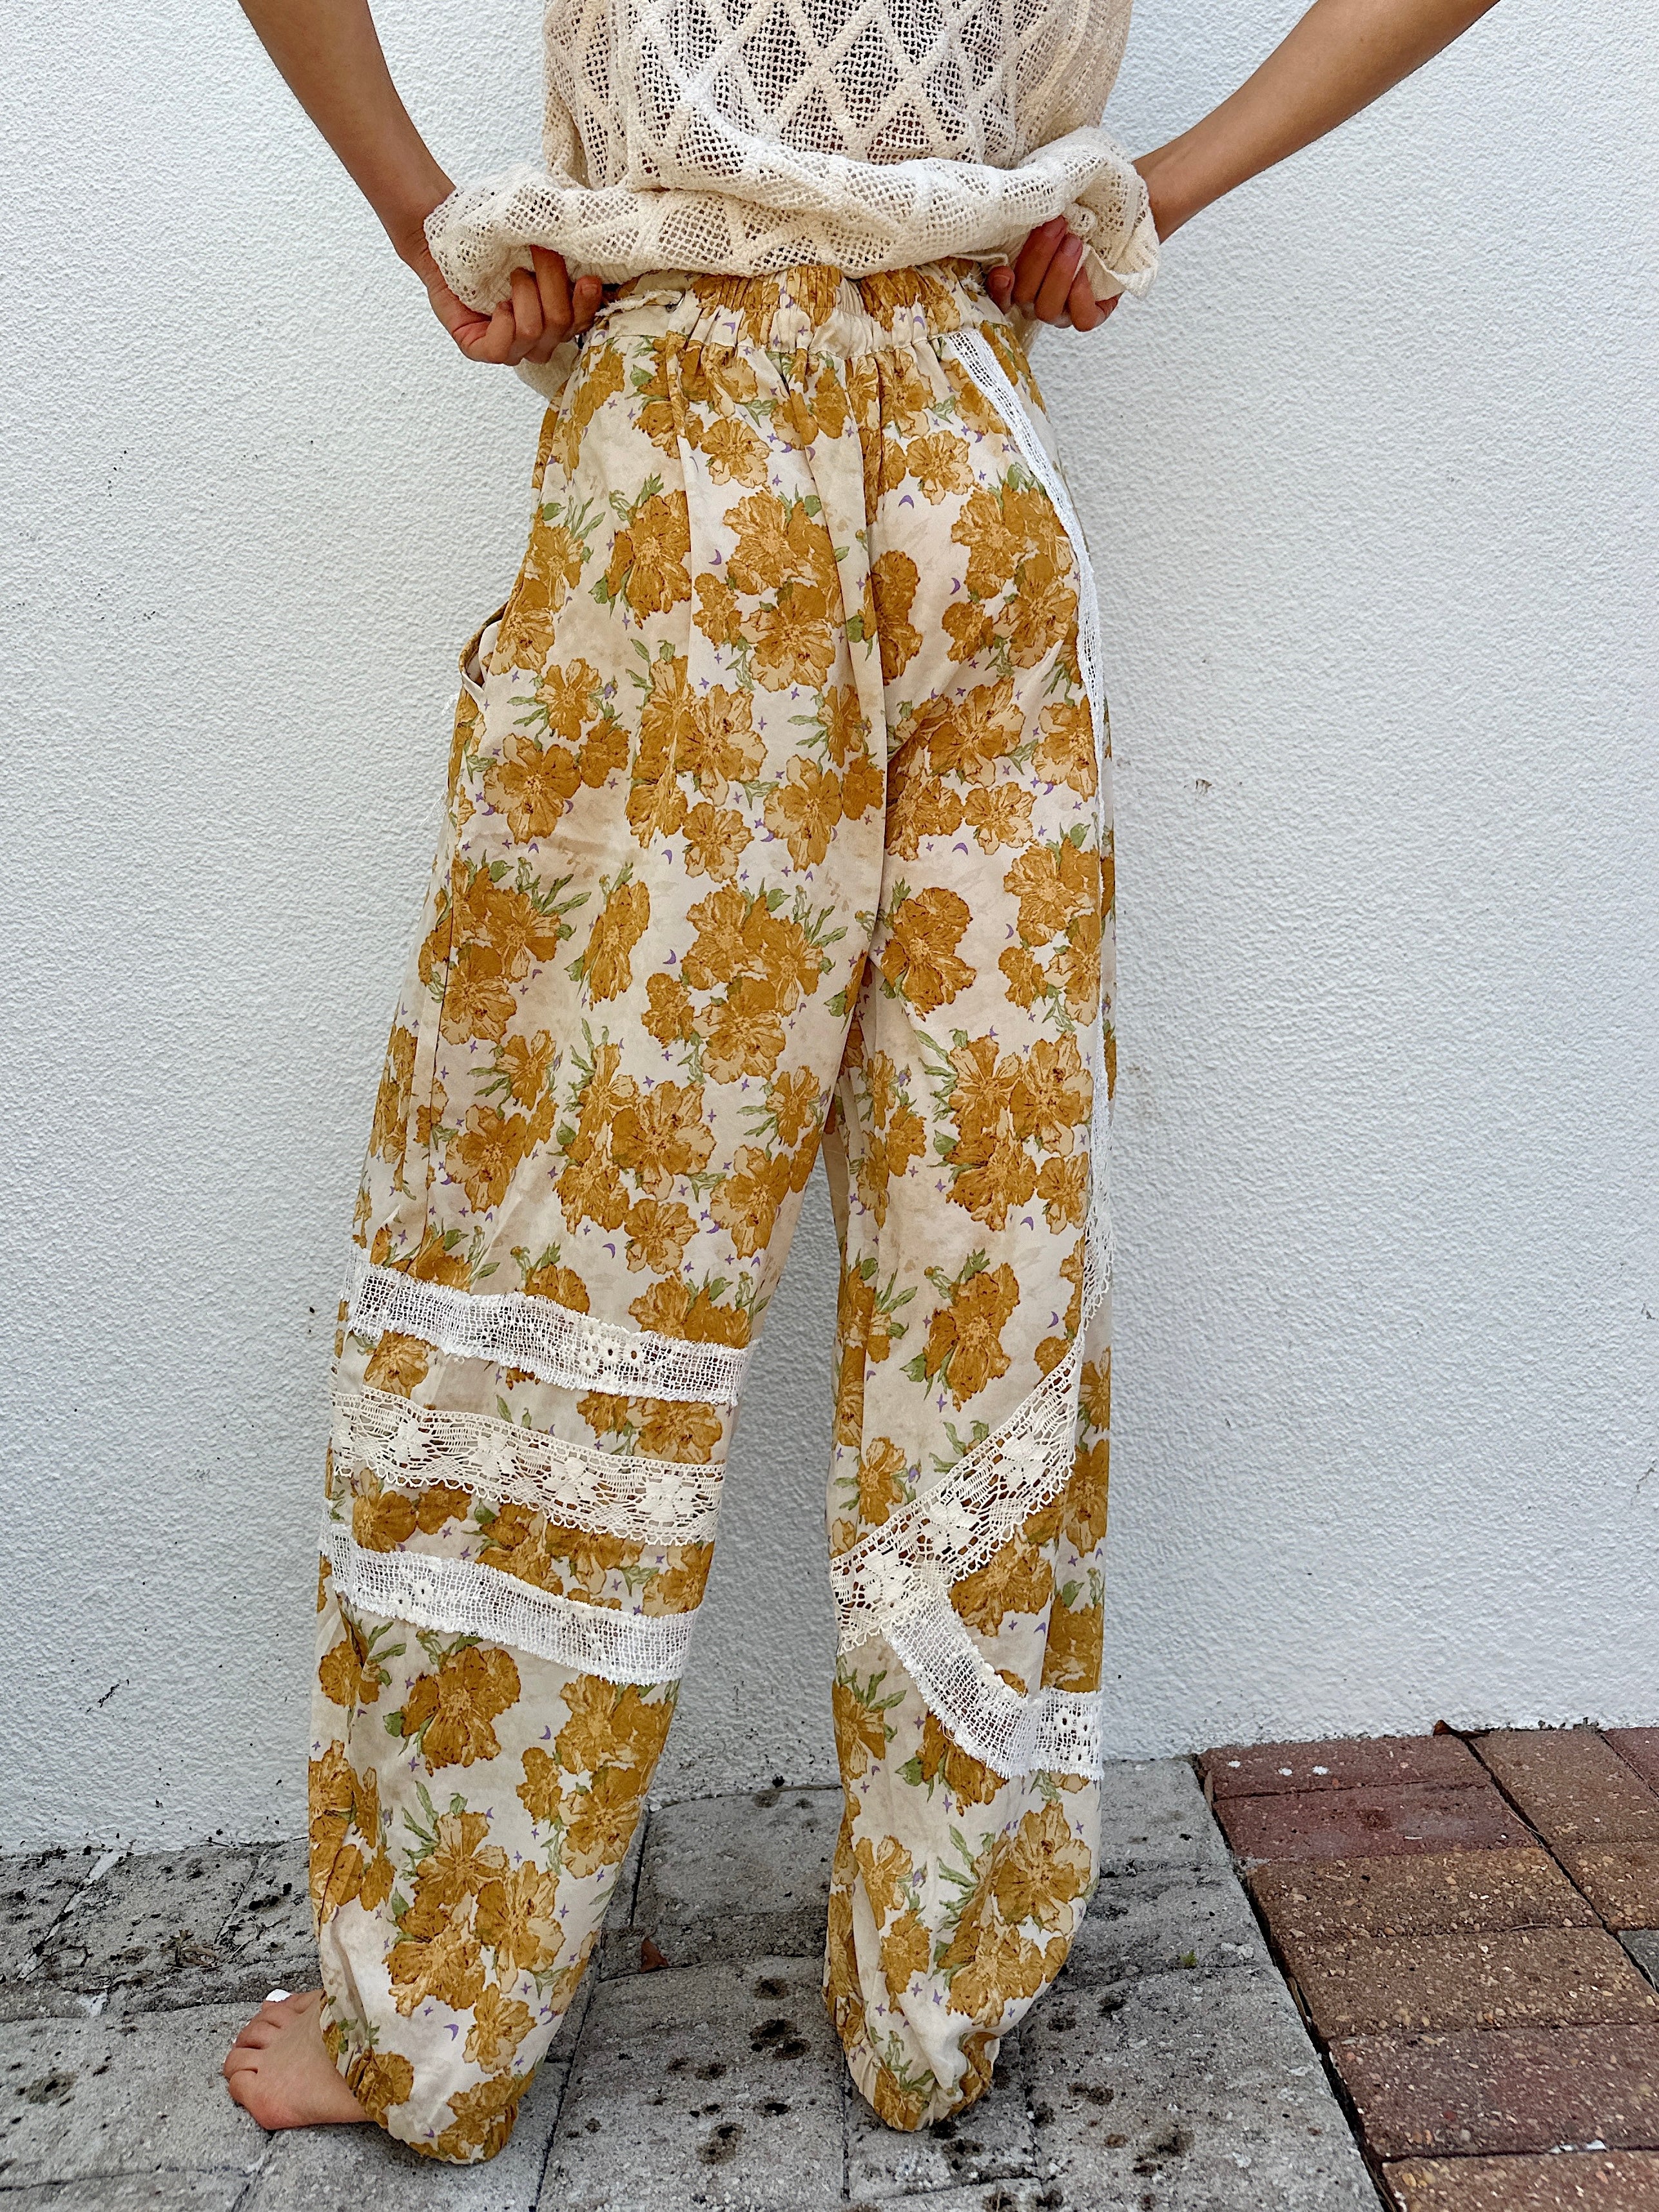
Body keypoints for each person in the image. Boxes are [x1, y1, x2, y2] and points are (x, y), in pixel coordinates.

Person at [222, 0, 1499, 2162]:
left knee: (573, 1199)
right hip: (968, 471)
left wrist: (429, 219)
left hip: (688, 479)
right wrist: (1144, 189)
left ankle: (444, 1992)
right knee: (973, 1225)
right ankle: (941, 1985)